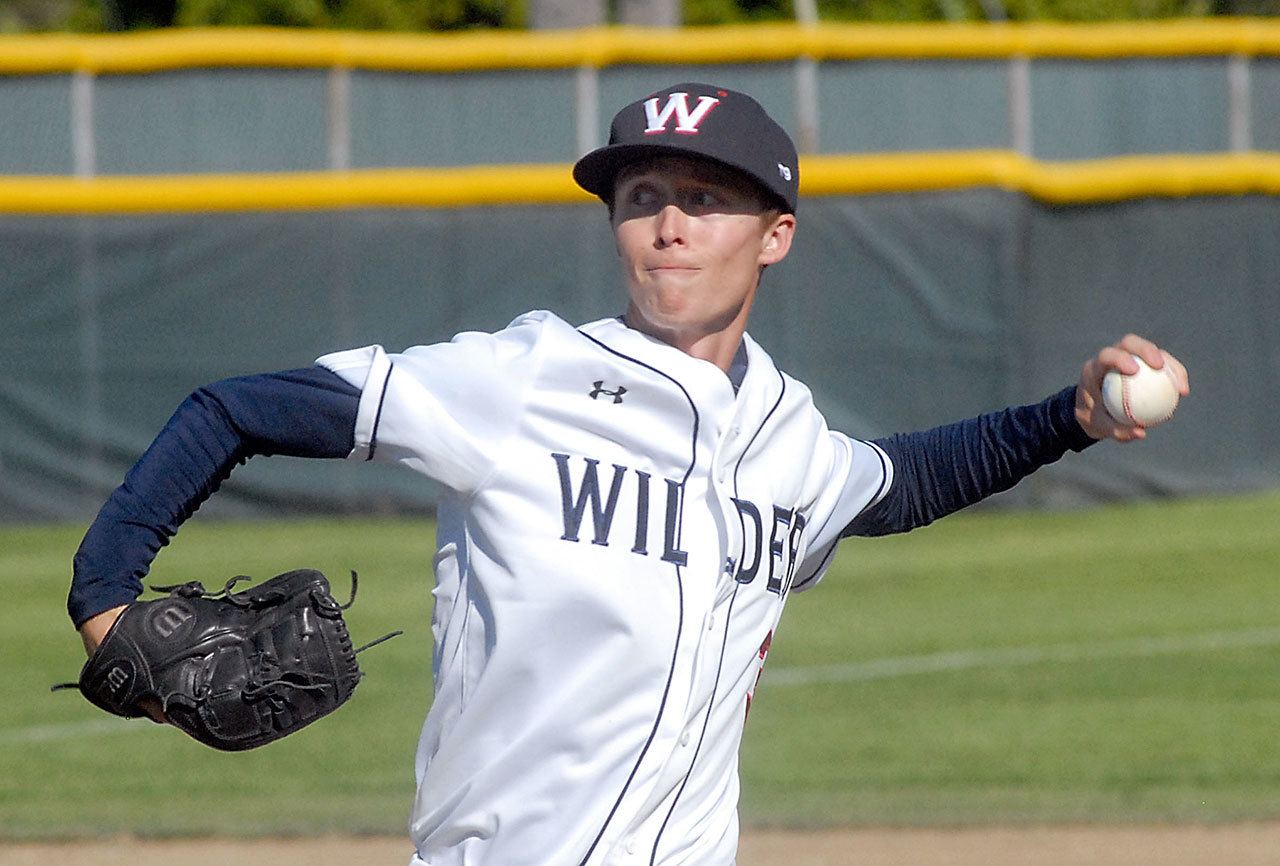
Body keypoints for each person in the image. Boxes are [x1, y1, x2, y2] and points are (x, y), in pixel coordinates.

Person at [69, 82, 1189, 865]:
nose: (665, 224)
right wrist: (104, 596)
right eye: (642, 195)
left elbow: (895, 482)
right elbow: (231, 409)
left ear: (775, 234)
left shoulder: (786, 433)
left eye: (703, 199)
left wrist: (1069, 417)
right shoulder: (520, 377)